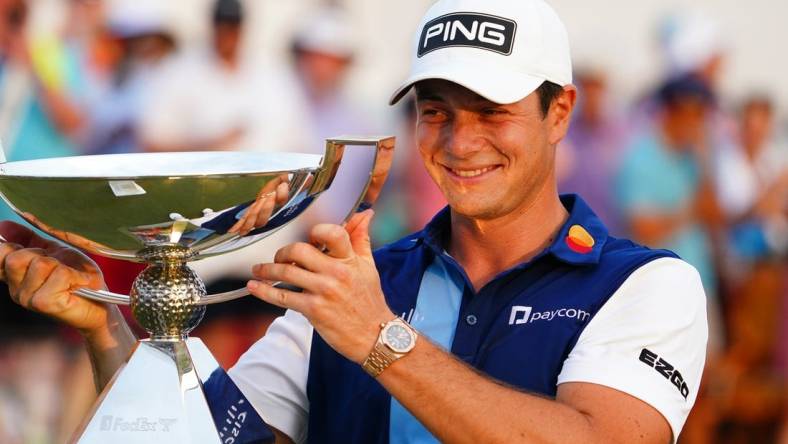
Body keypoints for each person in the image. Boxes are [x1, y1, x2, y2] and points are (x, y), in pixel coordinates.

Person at [0, 1, 708, 443]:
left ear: (560, 113)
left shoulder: (645, 286)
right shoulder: (357, 283)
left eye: (492, 111)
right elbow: (215, 436)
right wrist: (113, 324)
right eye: (436, 110)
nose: (460, 142)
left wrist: (379, 337)